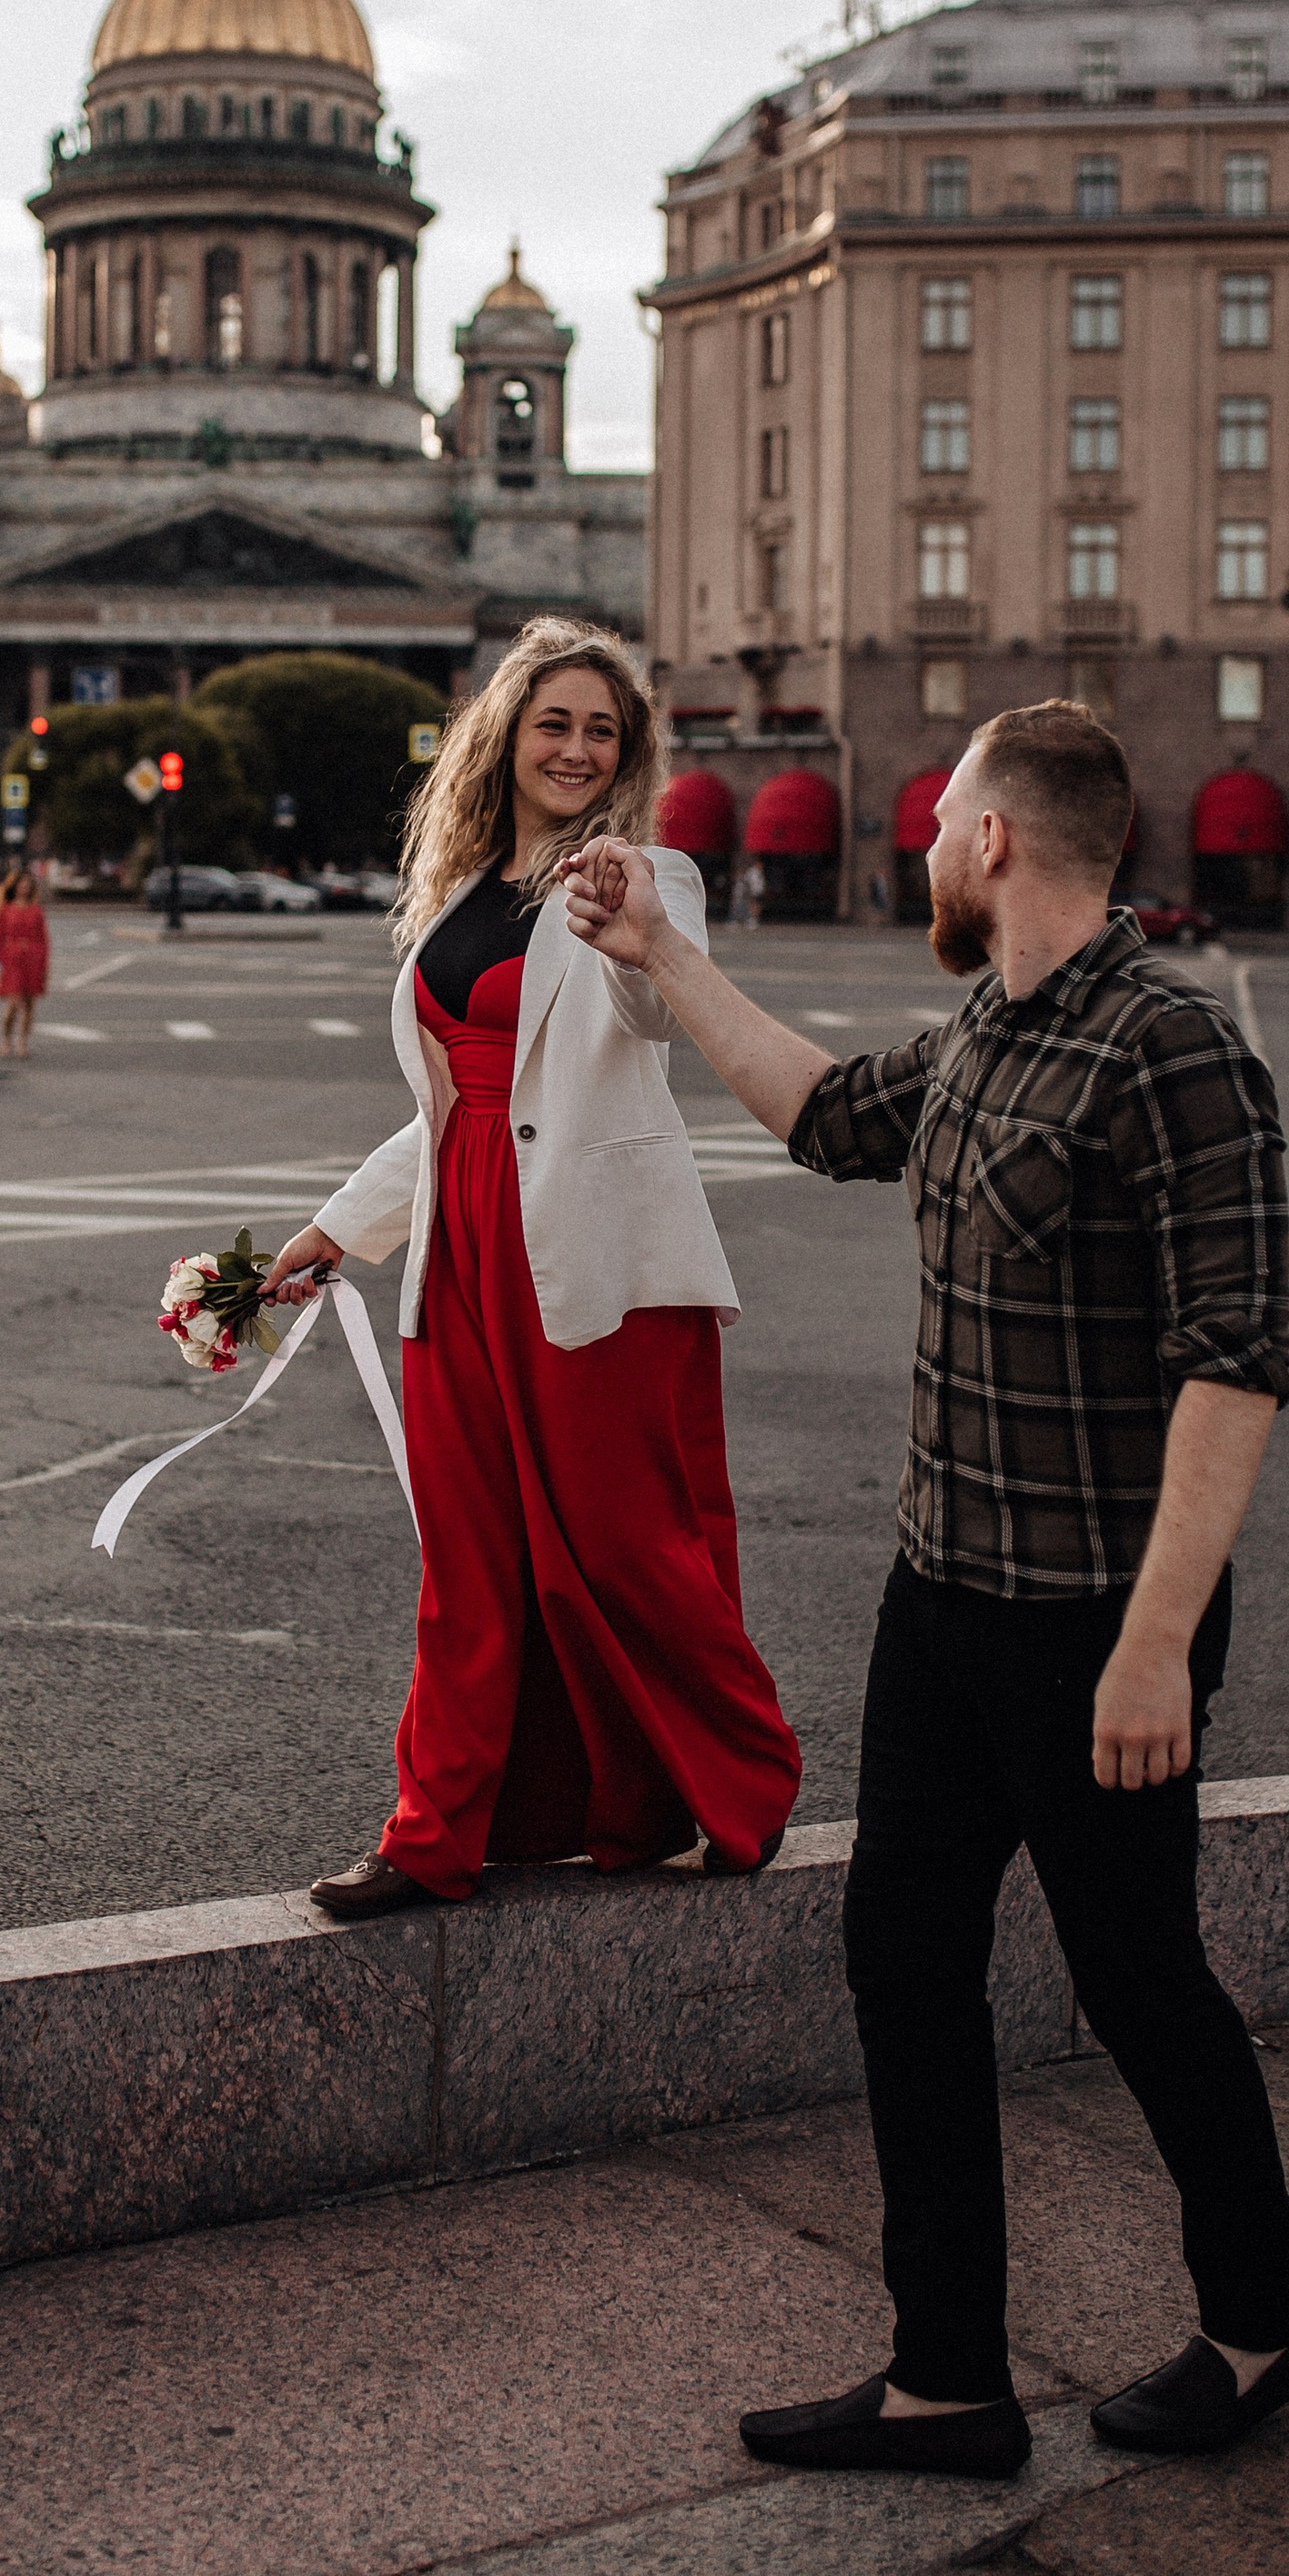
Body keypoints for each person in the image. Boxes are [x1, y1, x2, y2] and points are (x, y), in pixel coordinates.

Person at [562, 699, 1289, 2477]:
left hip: (1093, 1622)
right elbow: (823, 1115)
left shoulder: (1173, 1055)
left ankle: (1259, 2320)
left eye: (935, 819)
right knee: (901, 1958)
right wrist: (660, 951)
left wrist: (1151, 1648)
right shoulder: (983, 1031)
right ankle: (944, 2377)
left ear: (992, 840)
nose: (918, 842)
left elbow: (1234, 1360)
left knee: (1137, 1980)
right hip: (943, 1599)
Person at [262, 616, 801, 1917]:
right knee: (470, 1561)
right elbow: (457, 1105)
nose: (574, 748)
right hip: (459, 1252)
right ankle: (435, 1834)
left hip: (594, 1262)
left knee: (628, 1546)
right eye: (553, 723)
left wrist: (638, 938)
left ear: (626, 756)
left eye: (600, 731)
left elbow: (655, 1014)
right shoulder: (456, 897)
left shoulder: (644, 877)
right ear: (504, 738)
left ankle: (742, 1783)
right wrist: (338, 1226)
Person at [0, 868, 50, 1059]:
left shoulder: (36, 911)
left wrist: (43, 964)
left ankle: (22, 1042)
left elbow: (43, 940)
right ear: (14, 886)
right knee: (13, 1003)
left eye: (28, 883)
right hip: (13, 960)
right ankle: (6, 1040)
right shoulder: (5, 910)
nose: (25, 886)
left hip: (32, 959)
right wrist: (2, 957)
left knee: (29, 1004)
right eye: (21, 883)